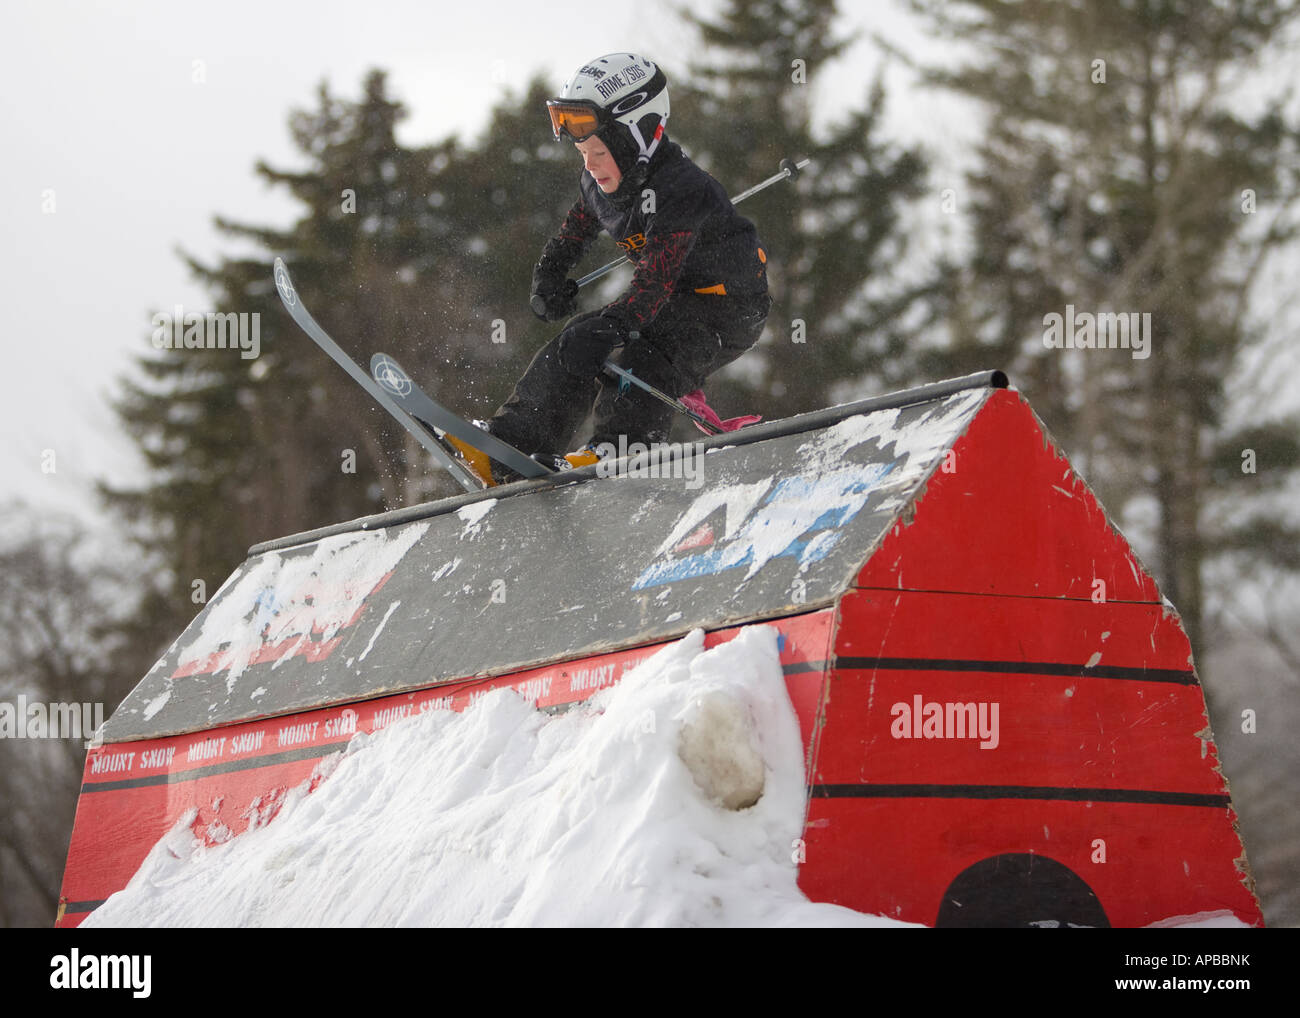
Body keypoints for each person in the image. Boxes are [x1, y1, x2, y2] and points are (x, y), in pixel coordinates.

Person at [483, 52, 771, 481]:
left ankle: (617, 451)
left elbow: (653, 284)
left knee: (647, 355)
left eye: (597, 150)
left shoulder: (681, 189)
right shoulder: (599, 182)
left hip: (727, 310)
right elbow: (575, 231)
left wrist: (611, 327)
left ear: (638, 135)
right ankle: (514, 443)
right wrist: (548, 275)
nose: (589, 164)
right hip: (668, 299)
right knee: (572, 342)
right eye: (582, 152)